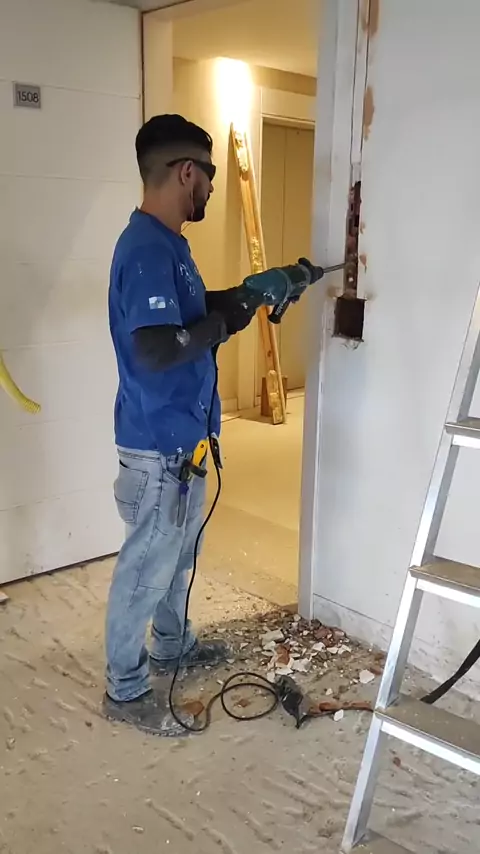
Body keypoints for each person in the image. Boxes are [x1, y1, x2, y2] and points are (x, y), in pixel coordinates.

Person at [104, 114, 256, 736]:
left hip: (184, 440)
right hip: (157, 445)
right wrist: (219, 325)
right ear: (187, 172)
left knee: (177, 556)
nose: (212, 189)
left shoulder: (170, 245)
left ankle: (172, 644)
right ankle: (125, 689)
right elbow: (155, 348)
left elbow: (188, 315)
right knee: (146, 568)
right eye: (209, 176)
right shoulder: (145, 248)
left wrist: (244, 296)